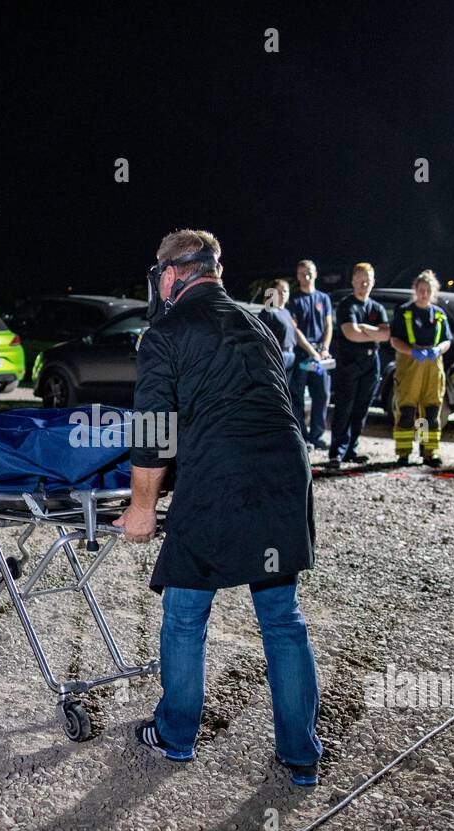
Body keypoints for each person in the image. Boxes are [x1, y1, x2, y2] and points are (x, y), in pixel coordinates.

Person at [114, 229, 322, 786]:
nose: (157, 282)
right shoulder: (259, 322)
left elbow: (155, 433)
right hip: (283, 471)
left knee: (185, 615)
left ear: (175, 273)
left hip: (220, 479)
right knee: (282, 620)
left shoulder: (166, 331)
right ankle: (301, 756)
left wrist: (141, 509)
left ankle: (177, 736)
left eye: (160, 273)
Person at [326, 262, 389, 468]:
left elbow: (386, 334)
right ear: (353, 280)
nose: (364, 284)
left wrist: (364, 328)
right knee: (344, 407)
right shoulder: (347, 305)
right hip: (350, 363)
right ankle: (336, 452)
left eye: (368, 280)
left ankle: (352, 450)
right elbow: (350, 334)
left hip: (372, 363)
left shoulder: (377, 307)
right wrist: (373, 333)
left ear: (373, 282)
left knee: (362, 408)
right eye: (360, 279)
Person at [387, 270, 451, 467]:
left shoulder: (439, 314)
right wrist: (411, 351)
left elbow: (447, 339)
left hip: (433, 367)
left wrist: (438, 349)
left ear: (433, 292)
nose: (424, 294)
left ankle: (428, 452)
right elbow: (394, 340)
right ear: (415, 290)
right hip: (410, 365)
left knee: (430, 412)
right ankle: (403, 453)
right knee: (407, 410)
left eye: (428, 290)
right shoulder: (405, 312)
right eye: (421, 290)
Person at [286, 259, 334, 450]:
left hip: (320, 356)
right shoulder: (294, 300)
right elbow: (295, 331)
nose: (306, 277)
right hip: (302, 355)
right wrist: (311, 351)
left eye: (309, 273)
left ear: (315, 274)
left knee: (321, 395)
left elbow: (329, 324)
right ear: (297, 276)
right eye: (302, 273)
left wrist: (324, 348)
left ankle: (318, 436)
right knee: (297, 397)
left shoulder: (324, 298)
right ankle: (302, 437)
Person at [259, 279, 297, 373]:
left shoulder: (287, 312)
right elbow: (262, 338)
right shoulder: (268, 312)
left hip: (291, 354)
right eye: (279, 292)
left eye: (285, 291)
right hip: (277, 356)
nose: (283, 294)